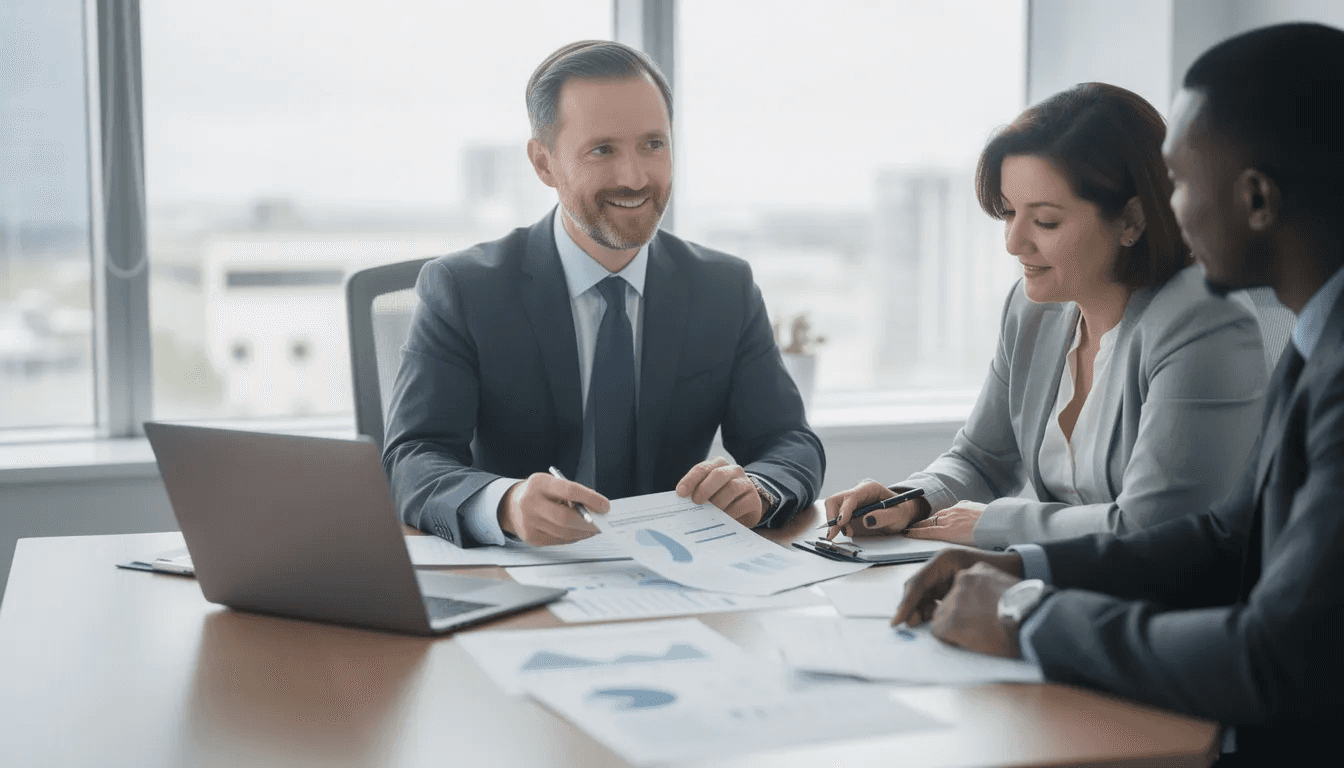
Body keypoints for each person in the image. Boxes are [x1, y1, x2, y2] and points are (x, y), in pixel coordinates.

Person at [892, 23, 1344, 765]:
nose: (1169, 210)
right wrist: (1023, 568)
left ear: (1257, 197)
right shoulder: (1314, 339)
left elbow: (1275, 657)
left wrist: (1028, 616)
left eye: (1183, 184)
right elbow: (1227, 536)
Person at [382, 40, 823, 547]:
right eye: (603, 150)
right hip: (525, 580)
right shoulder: (464, 289)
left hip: (680, 581)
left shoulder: (724, 288)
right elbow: (412, 458)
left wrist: (761, 490)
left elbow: (790, 442)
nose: (634, 177)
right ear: (544, 163)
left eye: (653, 144)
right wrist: (505, 504)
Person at [825, 83, 1267, 549]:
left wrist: (994, 523)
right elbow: (981, 459)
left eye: (1045, 221)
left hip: (1174, 605)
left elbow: (1156, 528)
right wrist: (910, 500)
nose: (1014, 243)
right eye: (1010, 213)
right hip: (1067, 588)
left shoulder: (1203, 321)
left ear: (1132, 220)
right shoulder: (1033, 308)